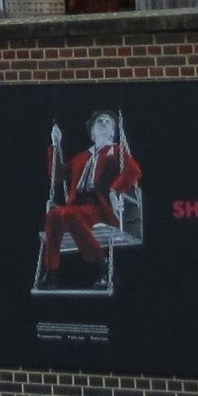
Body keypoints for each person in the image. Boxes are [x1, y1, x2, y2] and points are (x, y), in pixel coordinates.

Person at [38, 110, 143, 283]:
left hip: (99, 208)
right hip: (77, 207)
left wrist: (114, 191)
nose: (103, 123)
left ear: (112, 132)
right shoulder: (81, 157)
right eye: (99, 121)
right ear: (92, 132)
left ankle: (102, 265)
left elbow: (133, 171)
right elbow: (57, 174)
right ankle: (51, 271)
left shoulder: (117, 150)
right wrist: (55, 144)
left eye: (107, 122)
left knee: (68, 214)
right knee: (53, 215)